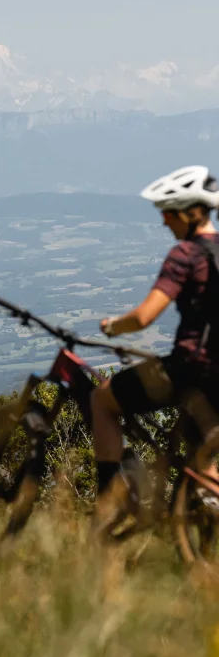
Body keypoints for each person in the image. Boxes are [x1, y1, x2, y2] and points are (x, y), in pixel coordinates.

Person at [92, 165, 219, 527]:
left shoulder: (186, 254)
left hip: (191, 369)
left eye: (168, 213)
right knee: (203, 462)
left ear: (188, 213)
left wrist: (113, 327)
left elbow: (144, 317)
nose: (164, 221)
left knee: (102, 400)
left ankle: (108, 501)